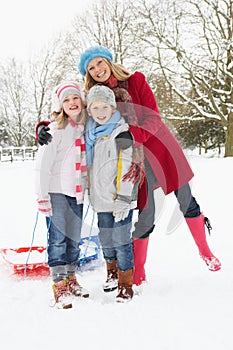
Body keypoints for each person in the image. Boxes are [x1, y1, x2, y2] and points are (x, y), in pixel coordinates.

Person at [38, 45, 221, 288]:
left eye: (99, 63)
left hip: (161, 147)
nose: (97, 69)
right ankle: (138, 272)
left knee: (186, 200)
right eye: (91, 68)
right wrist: (43, 126)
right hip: (134, 159)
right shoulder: (95, 93)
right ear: (88, 74)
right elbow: (71, 112)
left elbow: (153, 117)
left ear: (108, 61)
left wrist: (131, 135)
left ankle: (205, 251)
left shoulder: (135, 80)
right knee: (146, 213)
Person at [35, 81, 90, 309]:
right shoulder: (54, 131)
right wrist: (42, 197)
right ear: (60, 105)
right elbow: (42, 167)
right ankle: (59, 284)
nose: (72, 103)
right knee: (57, 240)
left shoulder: (86, 127)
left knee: (74, 239)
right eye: (66, 100)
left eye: (75, 98)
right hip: (56, 193)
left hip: (76, 194)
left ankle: (70, 278)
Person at [85, 85, 139, 302]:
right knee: (106, 239)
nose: (100, 111)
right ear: (89, 111)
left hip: (119, 200)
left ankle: (126, 283)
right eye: (95, 107)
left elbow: (125, 169)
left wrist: (124, 198)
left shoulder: (121, 132)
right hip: (100, 201)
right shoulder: (91, 135)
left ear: (112, 107)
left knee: (121, 241)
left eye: (104, 106)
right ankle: (112, 274)